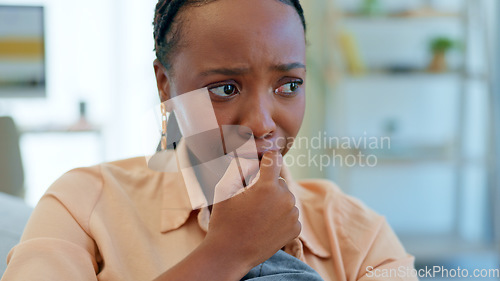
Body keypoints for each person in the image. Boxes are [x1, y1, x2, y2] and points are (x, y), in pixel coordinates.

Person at [1, 0, 418, 280]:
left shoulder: (354, 232)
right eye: (226, 88)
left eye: (289, 84)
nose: (262, 123)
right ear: (166, 86)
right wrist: (226, 253)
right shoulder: (83, 205)